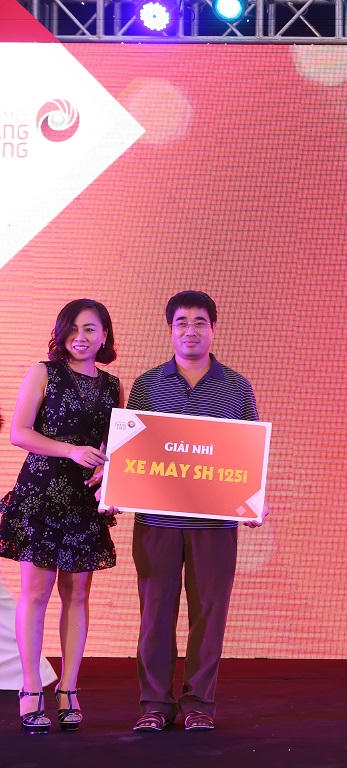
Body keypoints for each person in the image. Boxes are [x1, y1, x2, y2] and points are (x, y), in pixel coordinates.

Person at [125, 291, 264, 733]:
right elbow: (132, 450)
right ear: (170, 330)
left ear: (213, 329)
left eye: (199, 322)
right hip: (156, 522)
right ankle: (155, 705)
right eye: (181, 322)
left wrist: (254, 498)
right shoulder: (147, 384)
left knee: (209, 615)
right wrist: (117, 486)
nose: (191, 330)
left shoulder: (237, 386)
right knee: (155, 617)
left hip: (215, 524)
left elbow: (248, 454)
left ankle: (199, 704)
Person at [0, 299, 122, 733]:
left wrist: (110, 474)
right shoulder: (44, 373)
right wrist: (70, 450)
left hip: (83, 501)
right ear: (61, 332)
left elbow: (115, 446)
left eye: (90, 329)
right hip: (41, 495)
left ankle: (69, 689)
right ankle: (31, 687)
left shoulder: (113, 386)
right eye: (73, 328)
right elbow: (19, 433)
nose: (81, 337)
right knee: (36, 594)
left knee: (78, 596)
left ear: (104, 336)